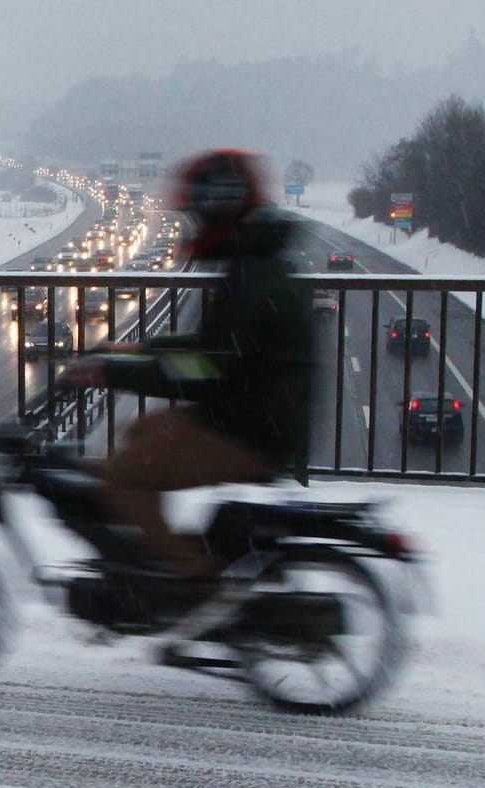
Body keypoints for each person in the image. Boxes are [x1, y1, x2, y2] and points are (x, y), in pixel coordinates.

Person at [62, 149, 313, 591]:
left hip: (251, 430)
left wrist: (113, 372)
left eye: (196, 213)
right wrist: (144, 347)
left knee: (126, 476)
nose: (194, 223)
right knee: (140, 435)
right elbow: (216, 350)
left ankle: (187, 579)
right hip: (244, 415)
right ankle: (161, 551)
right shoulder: (252, 262)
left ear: (219, 206)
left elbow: (209, 367)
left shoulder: (252, 275)